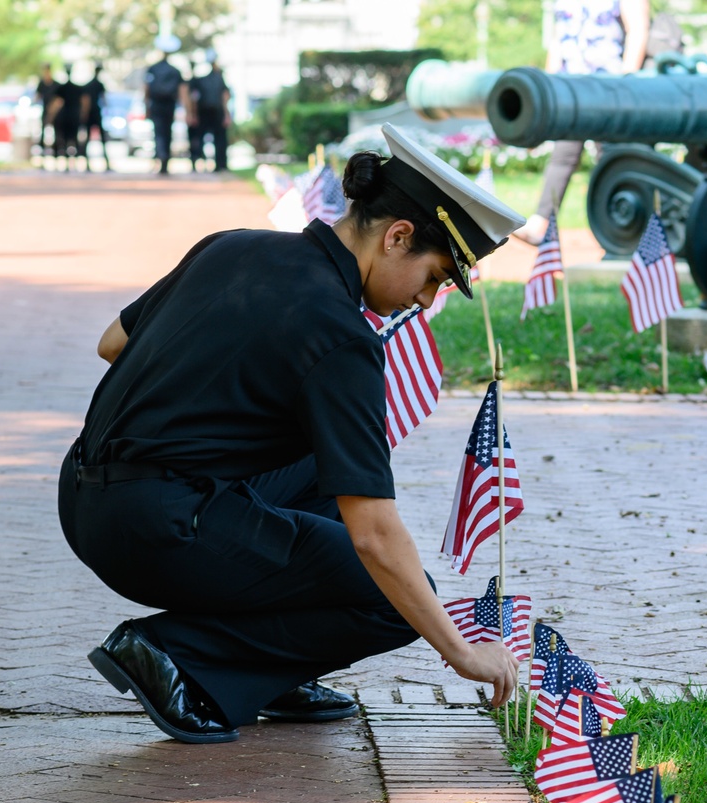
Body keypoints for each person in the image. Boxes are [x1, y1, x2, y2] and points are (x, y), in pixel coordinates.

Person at [57, 125, 525, 745]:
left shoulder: (229, 247)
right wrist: (462, 651)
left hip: (84, 493)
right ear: (398, 236)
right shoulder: (340, 335)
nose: (427, 299)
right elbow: (376, 538)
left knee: (321, 467)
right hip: (156, 528)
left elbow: (112, 343)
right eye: (436, 277)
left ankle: (267, 672)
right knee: (391, 598)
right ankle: (174, 653)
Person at [514, 0, 649, 244]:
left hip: (608, 87)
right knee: (563, 155)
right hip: (569, 87)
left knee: (612, 158)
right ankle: (541, 222)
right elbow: (559, 38)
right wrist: (550, 86)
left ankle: (624, 227)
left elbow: (638, 29)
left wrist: (627, 81)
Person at [187, 49, 229, 173]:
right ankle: (219, 164)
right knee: (215, 139)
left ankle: (198, 162)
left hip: (205, 111)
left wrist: (192, 113)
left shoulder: (208, 76)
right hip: (211, 111)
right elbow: (224, 96)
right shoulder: (217, 76)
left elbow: (193, 97)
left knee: (201, 138)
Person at [144, 46, 184, 175]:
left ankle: (160, 157)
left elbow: (146, 88)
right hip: (169, 105)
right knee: (167, 132)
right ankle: (165, 160)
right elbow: (181, 90)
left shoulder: (153, 68)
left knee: (158, 132)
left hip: (156, 104)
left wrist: (146, 105)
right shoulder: (174, 70)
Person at [52, 64, 85, 170]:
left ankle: (67, 163)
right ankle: (72, 163)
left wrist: (51, 116)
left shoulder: (63, 88)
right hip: (73, 116)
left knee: (65, 140)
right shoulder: (76, 88)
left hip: (66, 116)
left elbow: (57, 103)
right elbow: (84, 102)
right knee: (73, 140)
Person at [82, 64, 111, 172]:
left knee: (89, 139)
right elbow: (103, 99)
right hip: (95, 112)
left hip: (91, 113)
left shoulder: (90, 84)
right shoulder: (98, 84)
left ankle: (88, 164)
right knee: (100, 139)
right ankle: (104, 163)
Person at [34, 64, 57, 158]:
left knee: (56, 130)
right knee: (43, 129)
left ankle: (56, 149)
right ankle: (42, 150)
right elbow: (37, 96)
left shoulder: (55, 84)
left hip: (55, 110)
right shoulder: (42, 83)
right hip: (45, 109)